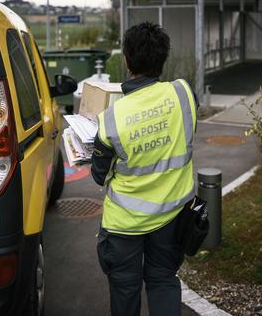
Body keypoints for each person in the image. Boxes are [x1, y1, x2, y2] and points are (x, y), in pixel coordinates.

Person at [91, 22, 198, 316]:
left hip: (124, 225)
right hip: (172, 216)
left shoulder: (111, 120)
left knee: (125, 289)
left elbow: (99, 175)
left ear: (126, 59)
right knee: (163, 280)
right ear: (163, 58)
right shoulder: (184, 94)